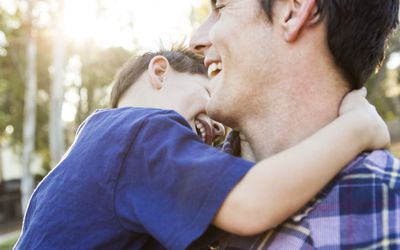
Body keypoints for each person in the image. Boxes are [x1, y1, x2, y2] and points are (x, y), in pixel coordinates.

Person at [15, 47, 388, 250]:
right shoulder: (141, 132)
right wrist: (356, 128)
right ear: (160, 72)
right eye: (209, 97)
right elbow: (253, 203)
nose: (213, 128)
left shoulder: (89, 153)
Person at [189, 0, 400, 249]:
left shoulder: (388, 219)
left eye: (222, 7)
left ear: (294, 10)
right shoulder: (174, 190)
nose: (195, 41)